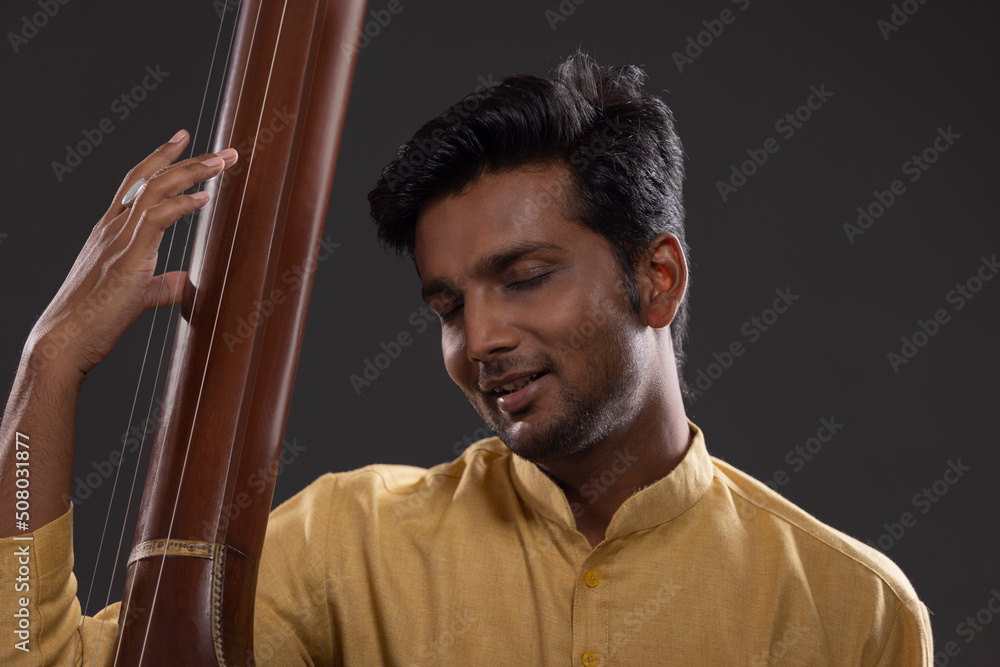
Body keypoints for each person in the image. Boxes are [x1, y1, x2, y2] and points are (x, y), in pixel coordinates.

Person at [1, 52, 931, 665]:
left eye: (523, 278)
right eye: (448, 306)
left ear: (659, 277)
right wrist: (50, 362)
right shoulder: (348, 544)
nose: (478, 339)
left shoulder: (854, 612)